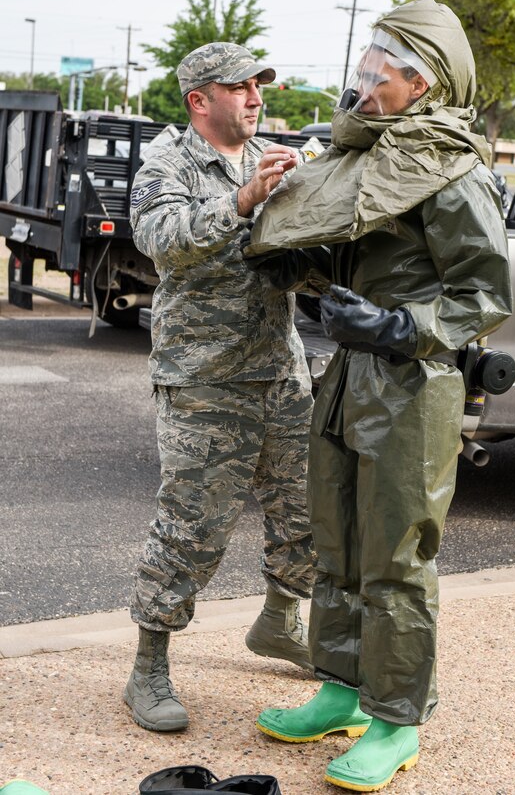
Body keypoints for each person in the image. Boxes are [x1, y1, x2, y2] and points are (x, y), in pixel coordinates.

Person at [248, 0, 514, 792]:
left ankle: (395, 719)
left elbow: (484, 293)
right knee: (338, 538)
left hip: (412, 382)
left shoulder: (453, 169)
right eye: (363, 66)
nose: (361, 82)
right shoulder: (368, 157)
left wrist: (397, 325)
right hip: (348, 377)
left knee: (396, 558)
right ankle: (339, 689)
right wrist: (291, 252)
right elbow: (342, 249)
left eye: (378, 71)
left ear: (421, 83)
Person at [124, 42, 316, 733]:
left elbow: (295, 257)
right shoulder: (168, 162)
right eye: (241, 86)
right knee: (192, 527)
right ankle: (148, 666)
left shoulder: (271, 153)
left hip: (281, 369)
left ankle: (281, 622)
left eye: (260, 84)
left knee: (306, 511)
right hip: (206, 378)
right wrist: (242, 200)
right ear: (200, 100)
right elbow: (162, 239)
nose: (257, 96)